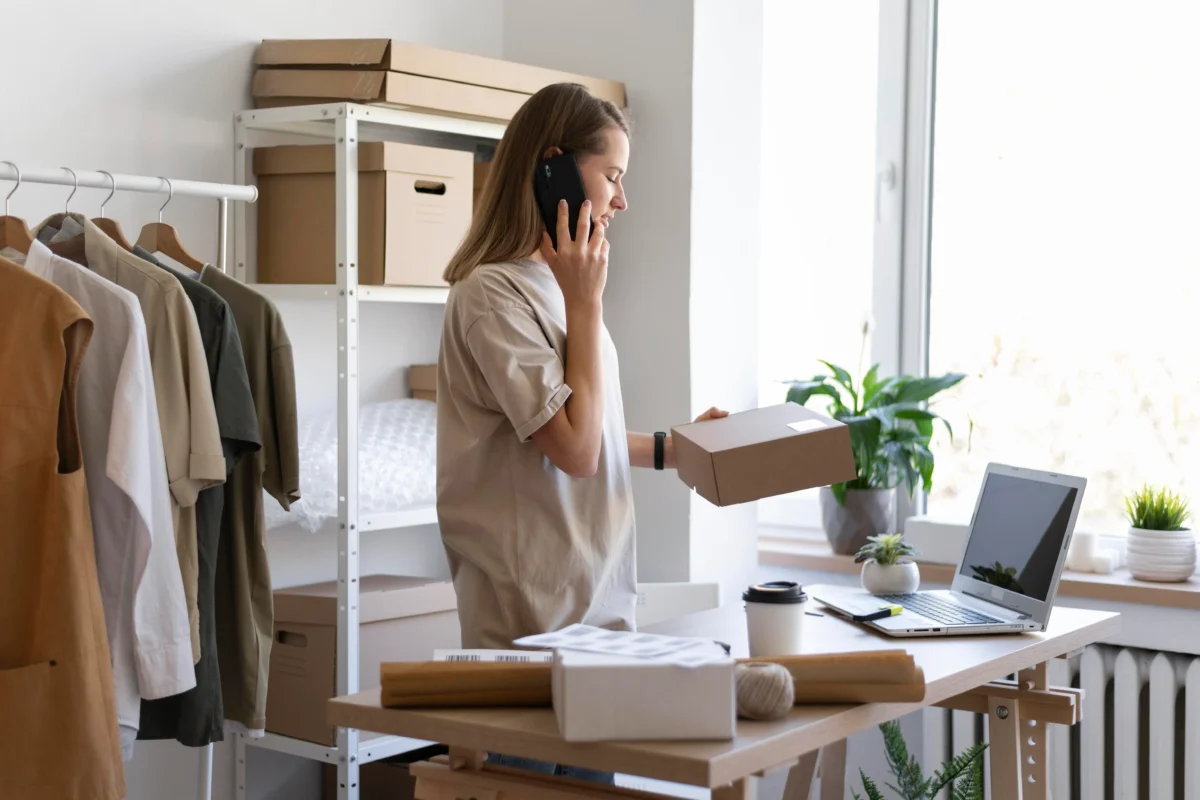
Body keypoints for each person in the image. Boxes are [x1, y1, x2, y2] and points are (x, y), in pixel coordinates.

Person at [435, 84, 727, 777]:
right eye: (614, 176)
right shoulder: (491, 296)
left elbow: (582, 430)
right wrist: (587, 302)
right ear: (553, 169)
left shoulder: (556, 289)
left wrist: (671, 449)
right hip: (527, 634)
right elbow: (572, 450)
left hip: (597, 620)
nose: (622, 201)